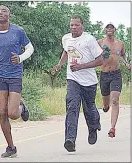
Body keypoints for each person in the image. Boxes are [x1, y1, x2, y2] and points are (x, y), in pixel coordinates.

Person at [0, 5, 34, 158]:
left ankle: (21, 107)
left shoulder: (18, 31)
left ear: (9, 15)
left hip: (15, 75)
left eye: (3, 11)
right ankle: (11, 147)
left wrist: (20, 58)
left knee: (12, 113)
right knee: (2, 112)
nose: (0, 13)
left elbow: (30, 48)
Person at [52, 15, 103, 152]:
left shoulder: (89, 40)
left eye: (76, 25)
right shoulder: (66, 38)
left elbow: (100, 60)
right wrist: (60, 64)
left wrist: (82, 66)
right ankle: (70, 140)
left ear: (82, 25)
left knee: (89, 108)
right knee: (72, 106)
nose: (73, 27)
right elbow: (66, 51)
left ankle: (93, 127)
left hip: (89, 81)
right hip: (73, 78)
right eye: (71, 25)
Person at [97, 23, 131, 138]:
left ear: (115, 30)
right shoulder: (100, 43)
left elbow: (123, 55)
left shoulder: (120, 44)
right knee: (106, 102)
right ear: (105, 30)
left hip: (116, 74)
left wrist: (126, 63)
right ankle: (106, 106)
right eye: (108, 28)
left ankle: (112, 128)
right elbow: (93, 54)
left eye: (112, 28)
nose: (110, 29)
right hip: (104, 74)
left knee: (115, 100)